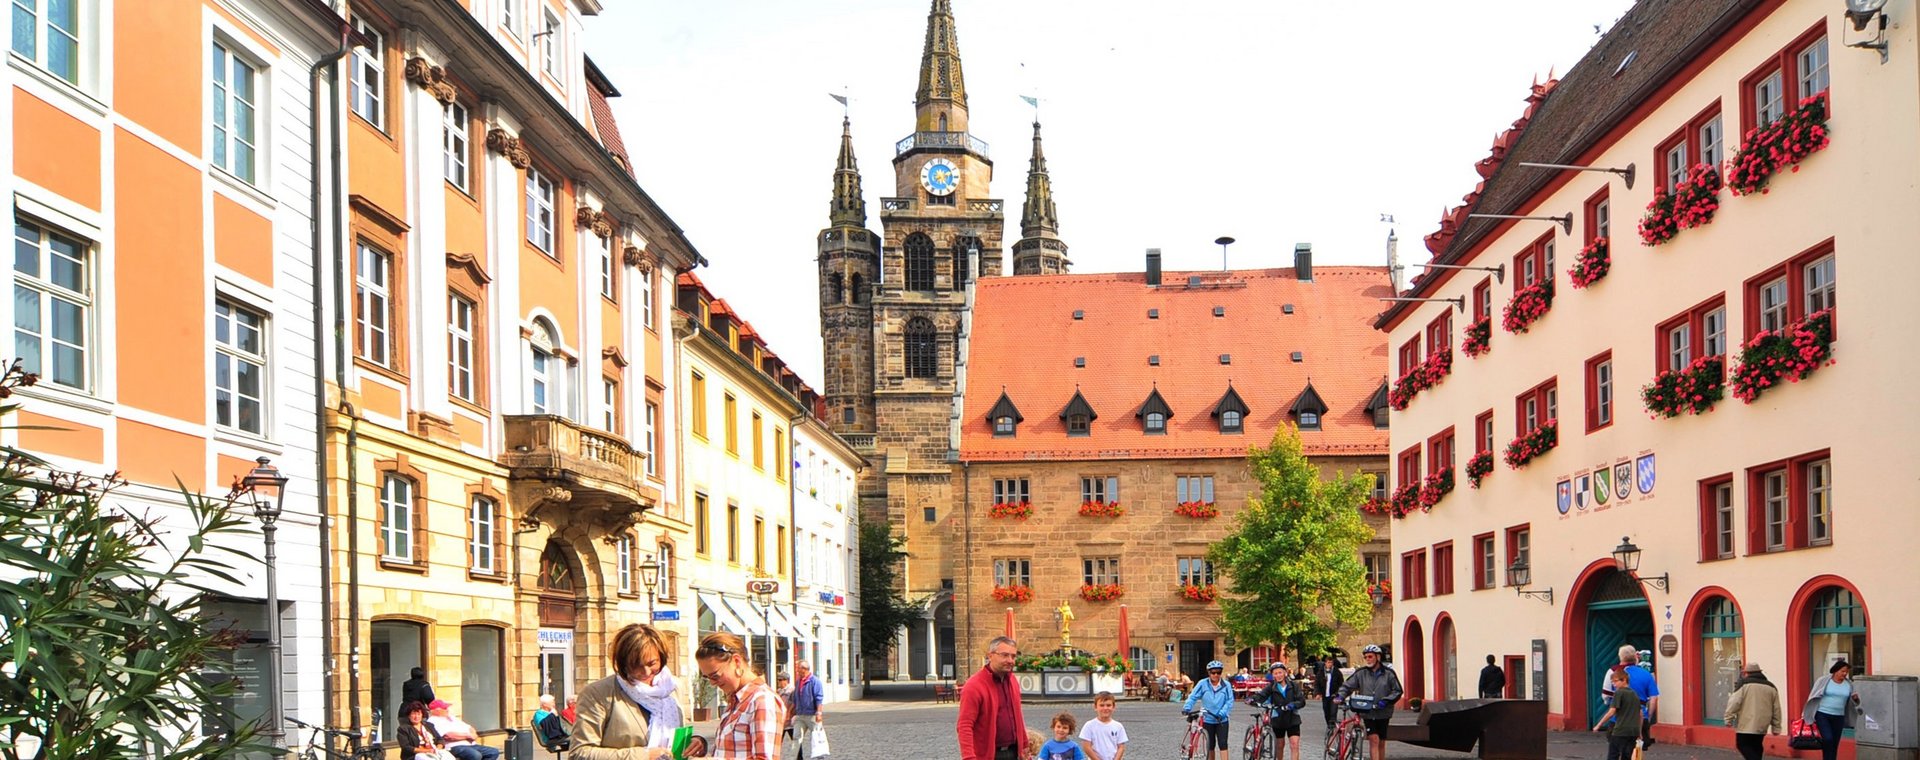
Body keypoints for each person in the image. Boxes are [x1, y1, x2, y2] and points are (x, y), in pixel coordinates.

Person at [571, 623, 675, 759]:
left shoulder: (671, 687)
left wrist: (696, 743)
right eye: (636, 665)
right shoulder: (598, 693)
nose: (646, 672)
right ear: (623, 663)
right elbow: (579, 753)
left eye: (652, 663)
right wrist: (643, 756)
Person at [699, 631, 783, 759]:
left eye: (715, 675)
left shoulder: (762, 700)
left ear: (737, 662)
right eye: (707, 677)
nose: (712, 683)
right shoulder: (737, 699)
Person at [958, 636, 1030, 760]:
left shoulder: (1012, 681)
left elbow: (1018, 717)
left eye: (1013, 656)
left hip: (1014, 753)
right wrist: (969, 757)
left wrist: (1024, 746)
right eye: (1005, 655)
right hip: (989, 755)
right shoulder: (974, 685)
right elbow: (964, 725)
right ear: (990, 656)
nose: (1010, 660)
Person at [1339, 644, 1404, 760]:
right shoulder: (1361, 673)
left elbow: (1397, 691)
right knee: (1374, 739)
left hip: (1384, 712)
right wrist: (1340, 696)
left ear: (1378, 657)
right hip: (1367, 711)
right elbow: (1347, 686)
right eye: (1366, 657)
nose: (1368, 659)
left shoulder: (1388, 673)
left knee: (1382, 742)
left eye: (1370, 657)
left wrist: (1386, 701)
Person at [1600, 645, 1660, 749]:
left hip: (1618, 719)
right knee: (1637, 749)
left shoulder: (1613, 671)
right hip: (1640, 717)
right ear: (1635, 656)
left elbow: (1606, 695)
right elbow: (1653, 698)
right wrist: (1648, 717)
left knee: (1617, 750)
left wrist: (1610, 704)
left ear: (1620, 657)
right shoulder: (1646, 674)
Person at [1803, 659, 1864, 760]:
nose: (1845, 674)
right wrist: (1806, 712)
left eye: (1846, 672)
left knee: (1835, 742)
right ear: (1836, 671)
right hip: (1822, 714)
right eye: (1843, 671)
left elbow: (1855, 702)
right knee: (1828, 739)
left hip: (1839, 716)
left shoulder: (1849, 684)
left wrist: (1856, 699)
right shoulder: (1823, 681)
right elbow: (1812, 696)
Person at [1725, 661, 1783, 760]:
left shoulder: (1743, 685)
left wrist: (1728, 718)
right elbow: (1776, 709)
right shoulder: (1771, 687)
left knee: (1742, 744)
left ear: (1747, 673)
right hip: (1763, 724)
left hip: (1746, 724)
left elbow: (1734, 703)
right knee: (1756, 746)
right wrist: (1776, 727)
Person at [1181, 660, 1234, 760]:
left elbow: (1229, 701)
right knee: (1210, 745)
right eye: (1213, 672)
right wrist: (1187, 708)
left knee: (1223, 744)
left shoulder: (1226, 685)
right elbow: (1193, 697)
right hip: (1207, 719)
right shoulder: (1203, 683)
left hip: (1221, 719)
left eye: (1218, 672)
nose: (1216, 675)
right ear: (1209, 673)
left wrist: (1222, 713)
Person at [1251, 662, 1305, 760]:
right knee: (1279, 745)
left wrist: (1292, 705)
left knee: (1294, 745)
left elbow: (1301, 701)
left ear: (1285, 673)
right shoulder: (1271, 687)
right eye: (1275, 673)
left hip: (1292, 718)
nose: (1278, 675)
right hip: (1278, 719)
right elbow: (1261, 695)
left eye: (1280, 672)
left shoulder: (1294, 685)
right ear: (1273, 675)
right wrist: (1252, 699)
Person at [1593, 669, 1642, 760]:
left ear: (1624, 679)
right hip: (1633, 731)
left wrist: (1598, 725)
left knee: (1613, 755)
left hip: (1621, 730)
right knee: (1627, 756)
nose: (1613, 684)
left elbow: (1612, 712)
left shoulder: (1619, 693)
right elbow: (1640, 714)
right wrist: (1639, 732)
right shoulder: (1635, 694)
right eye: (1612, 682)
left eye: (1615, 681)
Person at [427, 700, 501, 760]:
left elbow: (470, 727)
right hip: (454, 746)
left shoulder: (452, 717)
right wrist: (468, 736)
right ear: (436, 711)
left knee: (493, 752)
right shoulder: (434, 720)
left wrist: (474, 735)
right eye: (445, 708)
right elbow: (448, 736)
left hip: (470, 744)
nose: (447, 710)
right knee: (475, 755)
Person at [789, 660, 826, 760]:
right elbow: (795, 699)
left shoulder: (815, 681)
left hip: (812, 715)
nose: (797, 671)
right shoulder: (798, 682)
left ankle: (820, 758)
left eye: (798, 669)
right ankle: (794, 758)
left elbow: (819, 698)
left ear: (804, 669)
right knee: (796, 737)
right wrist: (791, 711)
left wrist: (819, 713)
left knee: (817, 738)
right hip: (800, 715)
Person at [1078, 691, 1128, 760]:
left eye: (1108, 705)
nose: (1105, 708)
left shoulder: (1118, 726)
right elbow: (1086, 746)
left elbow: (1121, 747)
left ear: (1113, 707)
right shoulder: (1089, 725)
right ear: (1095, 707)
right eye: (1102, 705)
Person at [1319, 654, 1345, 732]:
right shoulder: (1321, 672)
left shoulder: (1337, 672)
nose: (1329, 664)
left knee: (1333, 711)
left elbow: (1341, 683)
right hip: (1325, 695)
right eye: (1328, 662)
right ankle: (1329, 725)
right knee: (1326, 710)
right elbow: (1317, 683)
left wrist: (1338, 693)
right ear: (1325, 663)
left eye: (1331, 662)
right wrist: (1317, 693)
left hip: (1334, 694)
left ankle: (1332, 725)